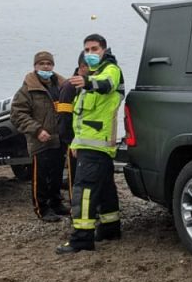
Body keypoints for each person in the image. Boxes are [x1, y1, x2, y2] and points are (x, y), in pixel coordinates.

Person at [56, 34, 124, 254]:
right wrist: (74, 141)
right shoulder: (92, 75)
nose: (91, 53)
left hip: (96, 143)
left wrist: (86, 82)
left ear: (104, 49)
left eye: (95, 49)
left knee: (84, 190)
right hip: (90, 143)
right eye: (87, 50)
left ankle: (82, 238)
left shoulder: (110, 70)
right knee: (104, 188)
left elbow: (106, 85)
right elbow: (79, 116)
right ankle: (110, 227)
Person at [10, 50, 69, 222]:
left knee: (57, 173)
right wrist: (37, 130)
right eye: (42, 64)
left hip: (59, 139)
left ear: (53, 66)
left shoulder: (61, 85)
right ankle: (41, 208)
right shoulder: (27, 89)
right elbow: (17, 114)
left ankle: (56, 202)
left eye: (48, 64)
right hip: (40, 140)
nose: (45, 66)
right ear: (35, 66)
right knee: (40, 176)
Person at [56, 52, 89, 196]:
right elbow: (64, 117)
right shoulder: (70, 87)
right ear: (82, 67)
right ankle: (74, 206)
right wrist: (70, 141)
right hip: (74, 140)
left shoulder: (89, 85)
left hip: (88, 138)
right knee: (75, 177)